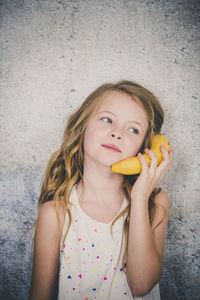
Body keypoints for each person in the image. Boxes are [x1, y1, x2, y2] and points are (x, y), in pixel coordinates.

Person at [30, 80, 173, 300]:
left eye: (133, 129)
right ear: (83, 126)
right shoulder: (55, 214)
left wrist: (139, 196)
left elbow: (141, 284)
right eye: (107, 120)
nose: (117, 133)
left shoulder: (155, 202)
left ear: (144, 149)